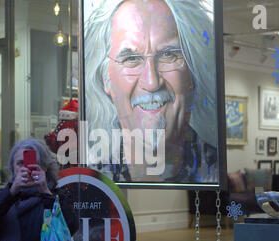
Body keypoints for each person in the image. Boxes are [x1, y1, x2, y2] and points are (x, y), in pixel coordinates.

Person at [84, 0, 218, 183]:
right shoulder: (89, 183)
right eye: (131, 58)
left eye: (168, 55)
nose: (152, 81)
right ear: (105, 79)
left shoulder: (216, 173)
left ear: (192, 73)